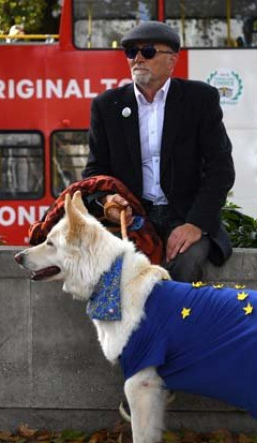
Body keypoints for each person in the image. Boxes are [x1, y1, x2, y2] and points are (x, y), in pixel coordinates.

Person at [84, 21, 235, 282]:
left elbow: (220, 168)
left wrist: (196, 224)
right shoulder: (107, 105)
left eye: (148, 52)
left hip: (184, 215)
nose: (138, 58)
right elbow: (95, 172)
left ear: (171, 60)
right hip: (133, 217)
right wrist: (108, 201)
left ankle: (172, 323)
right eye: (131, 52)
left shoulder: (200, 99)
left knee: (184, 263)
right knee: (107, 268)